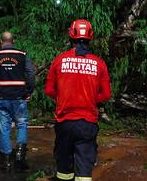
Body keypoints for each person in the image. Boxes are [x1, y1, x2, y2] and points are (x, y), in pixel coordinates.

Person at [44, 19, 112, 181]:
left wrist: (63, 98)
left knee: (64, 166)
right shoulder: (99, 64)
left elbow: (49, 90)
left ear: (71, 36)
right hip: (87, 122)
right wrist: (90, 99)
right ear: (90, 37)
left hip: (64, 121)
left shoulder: (59, 60)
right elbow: (106, 94)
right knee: (84, 167)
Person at [0, 32, 36, 171]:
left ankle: (6, 161)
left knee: (4, 127)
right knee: (22, 124)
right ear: (12, 41)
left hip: (2, 97)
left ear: (1, 42)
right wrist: (28, 91)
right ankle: (19, 157)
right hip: (19, 96)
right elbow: (31, 74)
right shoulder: (22, 55)